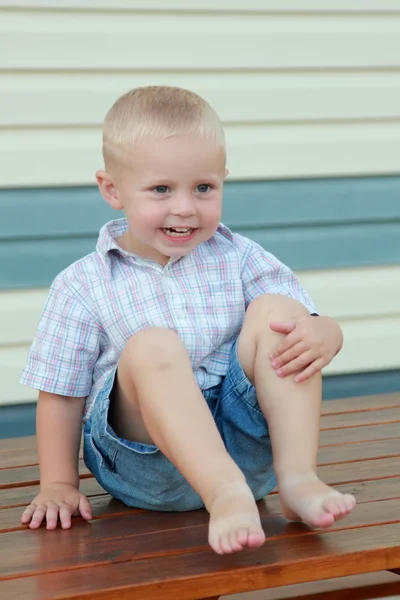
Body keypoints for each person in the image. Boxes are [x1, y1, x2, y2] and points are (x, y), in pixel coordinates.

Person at [20, 86, 355, 555]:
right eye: (161, 189)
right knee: (151, 345)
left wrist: (328, 330)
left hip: (245, 451)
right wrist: (57, 483)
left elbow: (301, 321)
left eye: (203, 187)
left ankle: (298, 478)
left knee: (280, 310)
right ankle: (222, 491)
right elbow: (60, 392)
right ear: (112, 190)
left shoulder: (238, 257)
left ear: (223, 181)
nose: (185, 207)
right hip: (148, 464)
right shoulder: (83, 283)